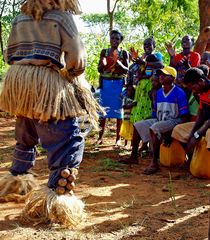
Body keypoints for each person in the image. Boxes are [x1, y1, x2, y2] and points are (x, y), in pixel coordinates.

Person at [0, 0, 103, 227]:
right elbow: (76, 58)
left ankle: (17, 180)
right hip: (45, 82)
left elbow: (9, 54)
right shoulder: (61, 17)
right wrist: (70, 75)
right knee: (66, 135)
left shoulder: (20, 18)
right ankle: (57, 199)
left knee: (26, 130)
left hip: (18, 81)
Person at [120, 66, 189, 175]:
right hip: (160, 119)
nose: (161, 77)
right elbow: (154, 112)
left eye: (164, 75)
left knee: (154, 128)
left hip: (174, 120)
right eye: (160, 74)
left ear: (172, 78)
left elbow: (184, 115)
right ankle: (133, 156)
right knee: (138, 125)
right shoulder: (159, 93)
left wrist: (174, 131)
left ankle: (154, 162)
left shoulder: (179, 93)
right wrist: (149, 119)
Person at [171, 67, 210, 165]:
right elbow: (201, 115)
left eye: (193, 87)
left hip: (208, 127)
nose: (193, 91)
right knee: (178, 130)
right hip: (204, 125)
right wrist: (191, 135)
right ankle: (192, 161)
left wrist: (196, 135)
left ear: (201, 81)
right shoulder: (201, 92)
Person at [97, 30, 129, 146]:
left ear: (120, 41)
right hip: (105, 84)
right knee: (103, 112)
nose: (115, 41)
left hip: (118, 84)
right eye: (113, 38)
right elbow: (99, 69)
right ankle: (100, 137)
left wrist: (118, 63)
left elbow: (127, 70)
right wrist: (103, 64)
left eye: (117, 39)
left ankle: (118, 138)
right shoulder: (104, 52)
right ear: (110, 39)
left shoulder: (123, 53)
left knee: (118, 112)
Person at [129, 38, 163, 124]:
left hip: (151, 86)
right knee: (139, 107)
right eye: (145, 45)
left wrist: (144, 63)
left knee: (149, 107)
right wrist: (137, 60)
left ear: (154, 46)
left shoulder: (157, 55)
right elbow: (133, 70)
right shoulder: (142, 57)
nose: (146, 46)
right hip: (140, 87)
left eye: (149, 44)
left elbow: (160, 65)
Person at [119, 83, 137, 148]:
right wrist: (131, 105)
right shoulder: (125, 98)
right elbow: (124, 106)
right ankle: (126, 144)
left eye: (131, 90)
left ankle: (132, 144)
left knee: (132, 130)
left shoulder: (135, 99)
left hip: (132, 117)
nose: (130, 92)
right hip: (126, 117)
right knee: (126, 130)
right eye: (128, 90)